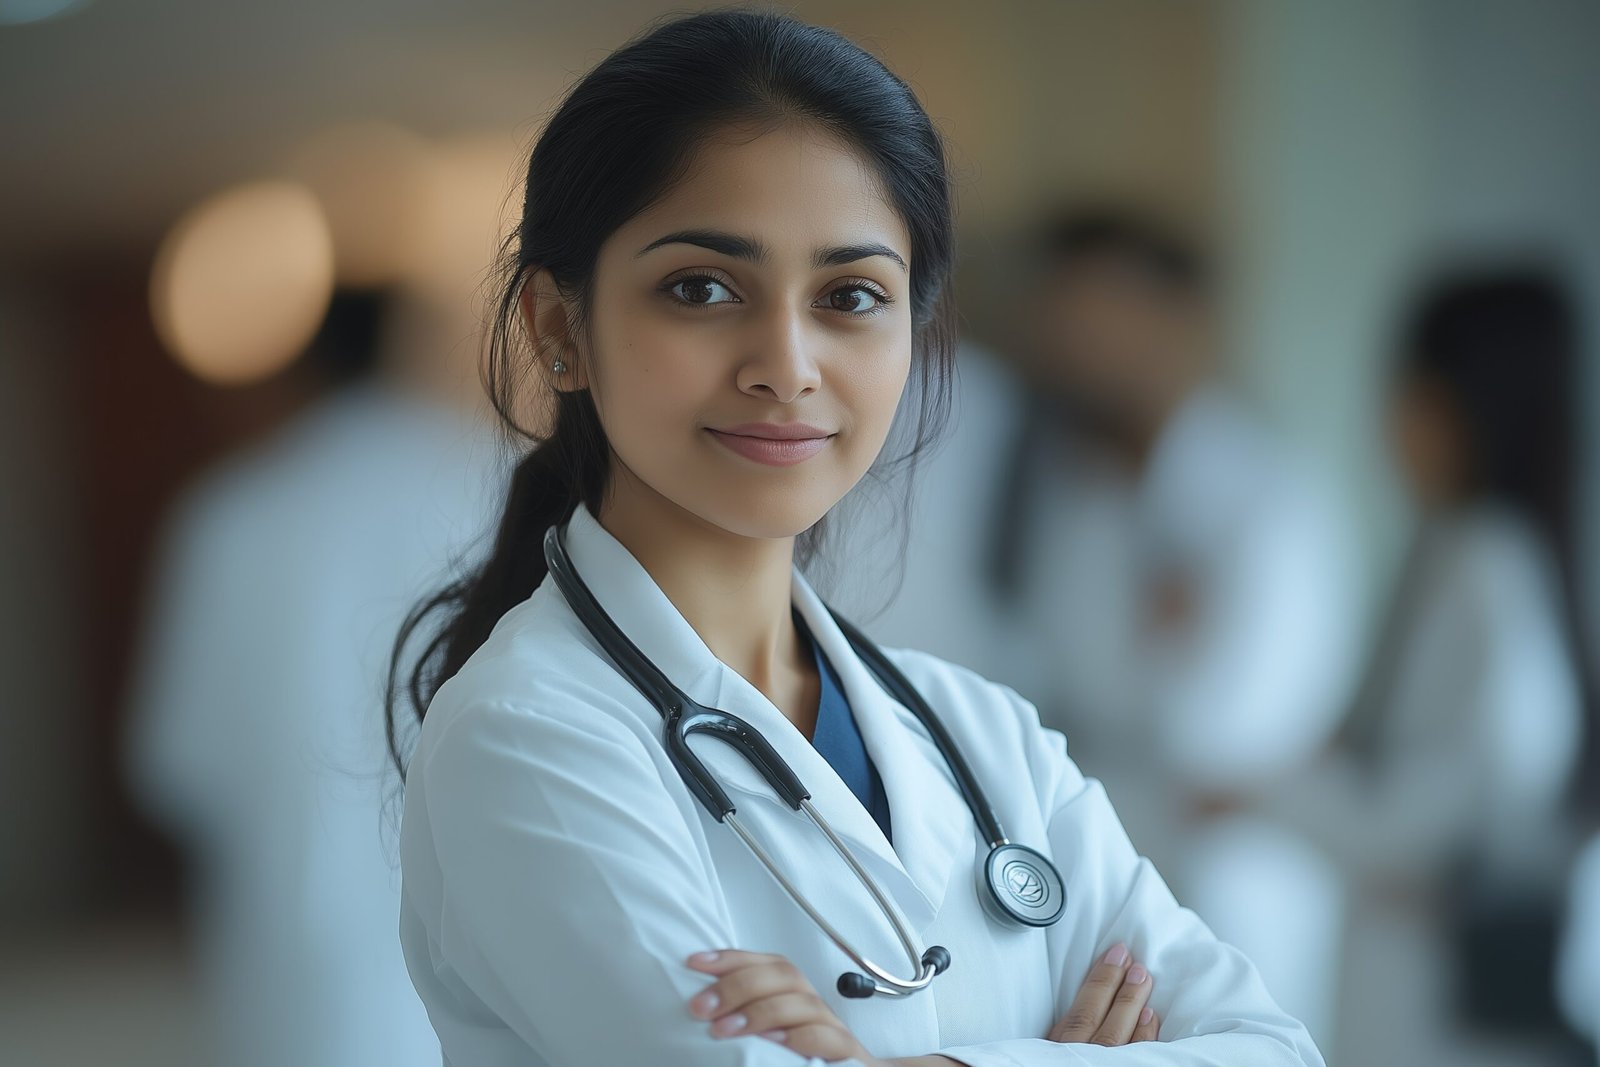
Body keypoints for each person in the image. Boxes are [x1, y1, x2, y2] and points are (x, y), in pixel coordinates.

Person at [386, 11, 1324, 1066]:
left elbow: (1272, 1048)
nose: (786, 364)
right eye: (702, 287)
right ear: (561, 330)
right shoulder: (529, 737)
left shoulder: (985, 736)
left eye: (849, 296)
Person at [126, 292, 504, 1067]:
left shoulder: (233, 509)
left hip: (296, 919)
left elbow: (177, 752)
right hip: (488, 900)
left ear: (302, 364)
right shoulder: (502, 488)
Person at [1275, 266, 1590, 1062]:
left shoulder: (1487, 562)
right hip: (1412, 974)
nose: (1387, 422)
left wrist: (1273, 795)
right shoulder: (1458, 550)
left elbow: (1464, 802)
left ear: (1461, 409)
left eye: (1408, 395)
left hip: (1445, 996)